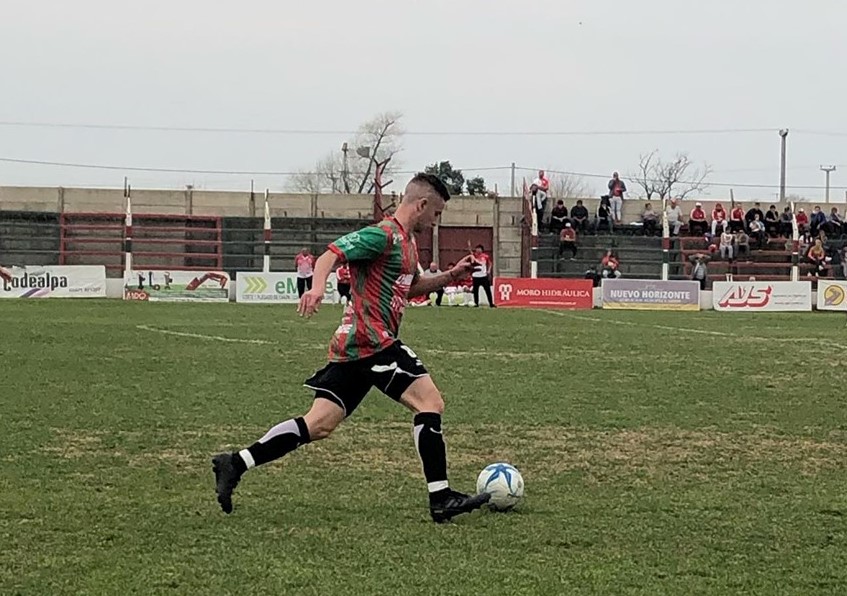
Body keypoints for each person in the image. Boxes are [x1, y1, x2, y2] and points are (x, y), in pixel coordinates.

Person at [211, 173, 490, 523]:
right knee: (430, 402)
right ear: (421, 205)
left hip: (355, 349)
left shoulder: (407, 243)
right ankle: (441, 498)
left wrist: (450, 276)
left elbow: (411, 287)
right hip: (372, 340)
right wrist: (315, 289)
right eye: (435, 215)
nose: (436, 222)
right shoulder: (382, 234)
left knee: (319, 423)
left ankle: (235, 463)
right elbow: (331, 254)